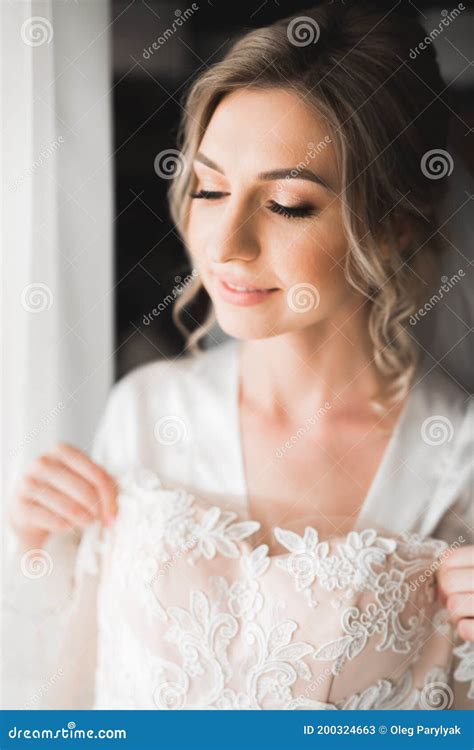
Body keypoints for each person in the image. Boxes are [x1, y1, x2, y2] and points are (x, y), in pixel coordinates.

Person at [6, 1, 473, 710]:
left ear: (397, 227)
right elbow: (68, 697)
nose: (225, 246)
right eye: (211, 188)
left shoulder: (456, 461)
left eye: (286, 204)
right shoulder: (146, 408)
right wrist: (43, 550)